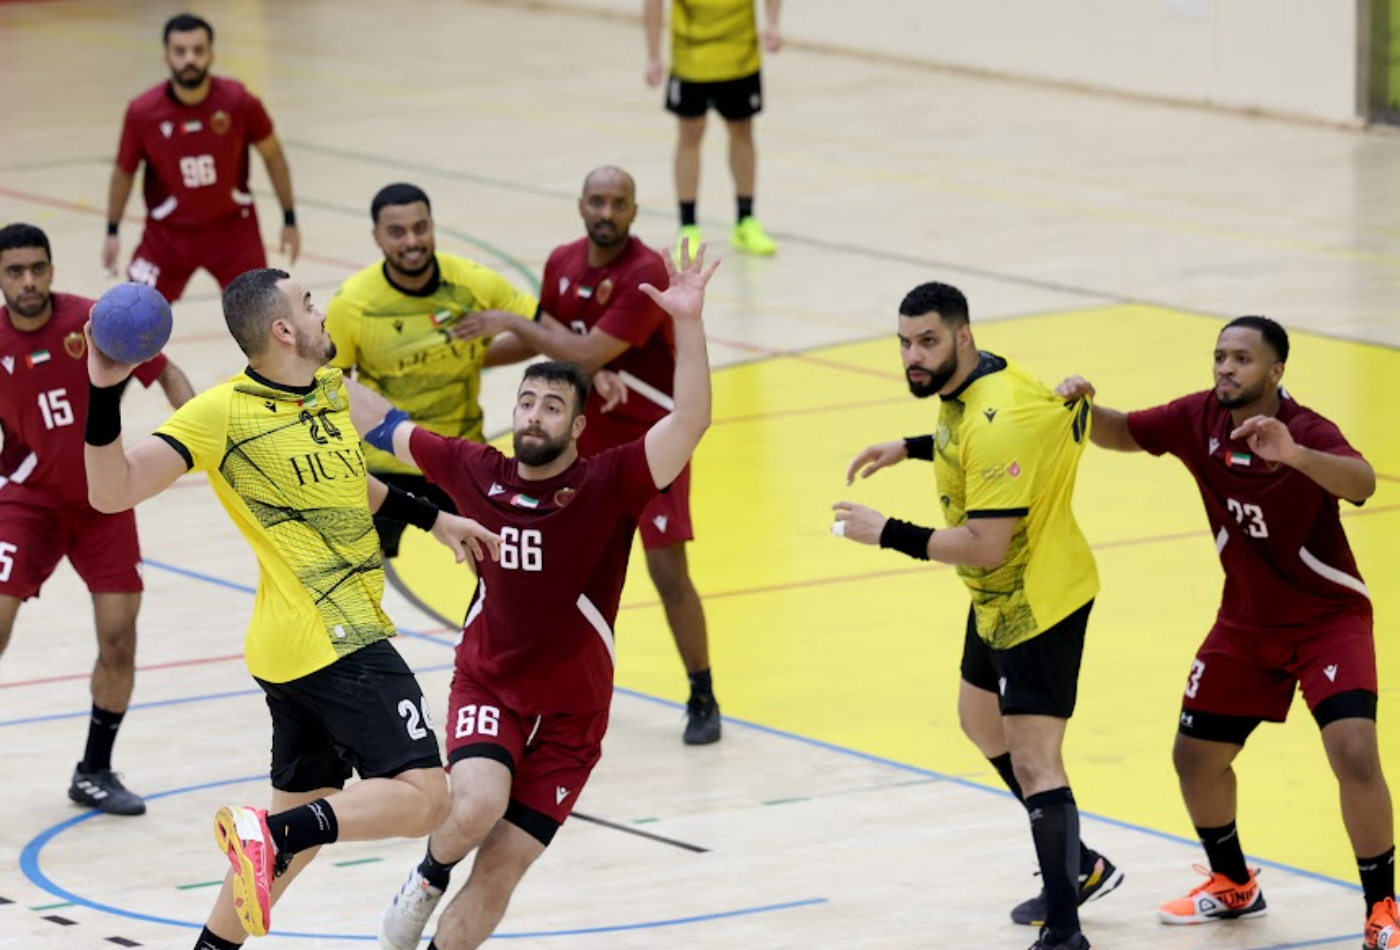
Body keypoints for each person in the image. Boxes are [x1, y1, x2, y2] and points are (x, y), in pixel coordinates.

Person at [83, 267, 502, 947]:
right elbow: (113, 490)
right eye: (310, 304)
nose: (321, 311)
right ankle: (267, 831)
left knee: (293, 844)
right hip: (339, 639)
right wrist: (104, 392)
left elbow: (347, 480)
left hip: (292, 650)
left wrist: (433, 521)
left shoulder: (327, 394)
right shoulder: (221, 415)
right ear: (283, 329)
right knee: (428, 797)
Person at [362, 242, 716, 950]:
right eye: (526, 401)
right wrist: (304, 374)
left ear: (577, 427)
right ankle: (428, 875)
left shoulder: (608, 482)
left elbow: (689, 424)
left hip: (573, 716)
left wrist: (691, 323)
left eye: (552, 406)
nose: (534, 414)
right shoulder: (474, 467)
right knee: (475, 806)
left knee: (499, 873)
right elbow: (384, 423)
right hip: (490, 681)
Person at [1056, 316, 1397, 948]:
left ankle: (1383, 906)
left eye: (1242, 359)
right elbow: (1124, 432)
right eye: (1219, 356)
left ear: (1275, 372)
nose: (1225, 368)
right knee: (1195, 759)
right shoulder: (1197, 419)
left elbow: (1364, 483)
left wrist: (1292, 454)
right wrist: (1084, 407)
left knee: (1353, 751)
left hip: (1328, 619)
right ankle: (1233, 882)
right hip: (1245, 622)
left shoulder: (1309, 430)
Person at [834, 282, 1121, 950]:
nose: (913, 355)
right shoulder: (980, 379)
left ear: (963, 336)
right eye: (905, 342)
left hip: (1038, 601)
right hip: (996, 597)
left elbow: (987, 542)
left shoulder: (998, 413)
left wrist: (887, 532)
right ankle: (1078, 862)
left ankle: (1066, 928)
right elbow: (988, 436)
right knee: (976, 717)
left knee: (1037, 762)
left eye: (928, 341)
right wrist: (908, 446)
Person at [458, 166, 721, 745]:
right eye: (597, 201)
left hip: (652, 443)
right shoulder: (561, 261)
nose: (606, 212)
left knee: (666, 569)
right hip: (578, 441)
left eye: (618, 203)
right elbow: (548, 345)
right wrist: (456, 361)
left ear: (633, 210)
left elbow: (582, 349)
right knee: (535, 558)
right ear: (581, 205)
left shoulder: (647, 271)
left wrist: (514, 320)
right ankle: (527, 684)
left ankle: (703, 694)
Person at [0, 223, 193, 816]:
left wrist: (202, 434)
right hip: (26, 505)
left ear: (53, 269)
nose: (28, 281)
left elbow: (166, 372)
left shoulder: (98, 321)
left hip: (104, 501)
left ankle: (94, 770)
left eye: (38, 267)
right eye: (15, 271)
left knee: (118, 639)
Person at [325, 182, 539, 558]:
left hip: (460, 454)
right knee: (356, 572)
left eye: (420, 228)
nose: (411, 241)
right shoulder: (353, 303)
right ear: (376, 236)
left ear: (433, 226)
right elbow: (331, 384)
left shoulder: (472, 282)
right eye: (396, 232)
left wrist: (486, 343)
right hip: (383, 462)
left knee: (498, 560)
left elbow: (543, 332)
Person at [103, 13, 299, 303]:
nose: (189, 59)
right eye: (180, 51)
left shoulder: (239, 102)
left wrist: (289, 218)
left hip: (233, 230)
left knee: (262, 314)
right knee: (136, 312)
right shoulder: (142, 112)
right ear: (167, 56)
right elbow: (124, 171)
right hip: (168, 235)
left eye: (198, 50)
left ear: (211, 54)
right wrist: (112, 231)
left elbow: (273, 155)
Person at [644, 0, 782, 258]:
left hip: (740, 57)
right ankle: (688, 226)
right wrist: (653, 54)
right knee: (689, 136)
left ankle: (745, 220)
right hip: (691, 60)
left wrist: (772, 23)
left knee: (742, 131)